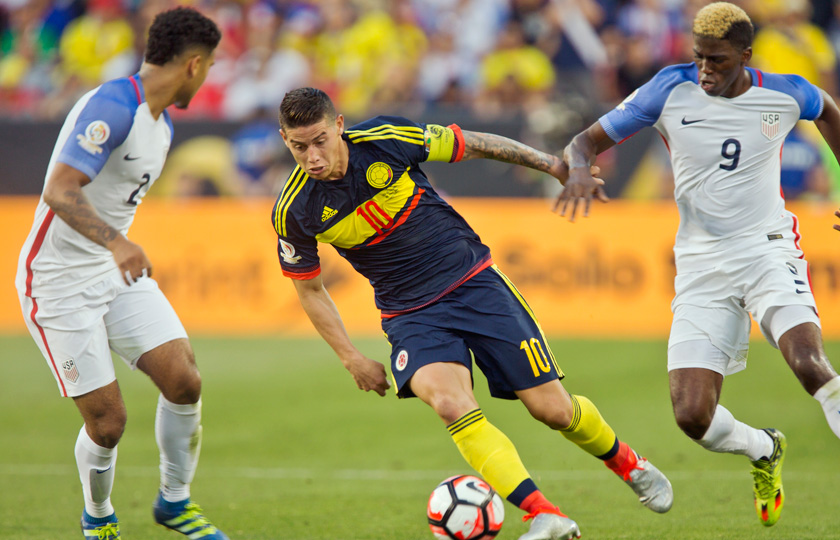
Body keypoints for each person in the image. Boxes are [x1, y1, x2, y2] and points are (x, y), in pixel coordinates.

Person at [554, 2, 840, 537]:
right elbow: (585, 139)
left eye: (718, 61)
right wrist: (579, 170)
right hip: (702, 264)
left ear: (746, 56)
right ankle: (765, 447)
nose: (705, 70)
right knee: (691, 417)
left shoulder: (783, 91)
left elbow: (829, 112)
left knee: (809, 362)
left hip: (767, 248)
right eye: (699, 58)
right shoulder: (667, 89)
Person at [271, 87, 673, 540]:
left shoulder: (384, 139)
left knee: (553, 410)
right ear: (285, 140)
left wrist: (554, 166)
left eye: (319, 140)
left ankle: (629, 464)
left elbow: (476, 143)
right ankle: (544, 514)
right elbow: (309, 288)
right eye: (298, 146)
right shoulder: (293, 210)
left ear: (339, 124)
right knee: (449, 403)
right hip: (409, 313)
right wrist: (350, 357)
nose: (312, 157)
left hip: (473, 282)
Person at [14, 8, 228, 540]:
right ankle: (99, 517)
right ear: (194, 65)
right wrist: (118, 242)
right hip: (58, 281)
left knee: (184, 380)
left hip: (111, 272)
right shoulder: (114, 106)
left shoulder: (162, 123)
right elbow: (60, 189)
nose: (208, 78)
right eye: (211, 67)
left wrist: (115, 249)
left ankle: (174, 503)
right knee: (108, 423)